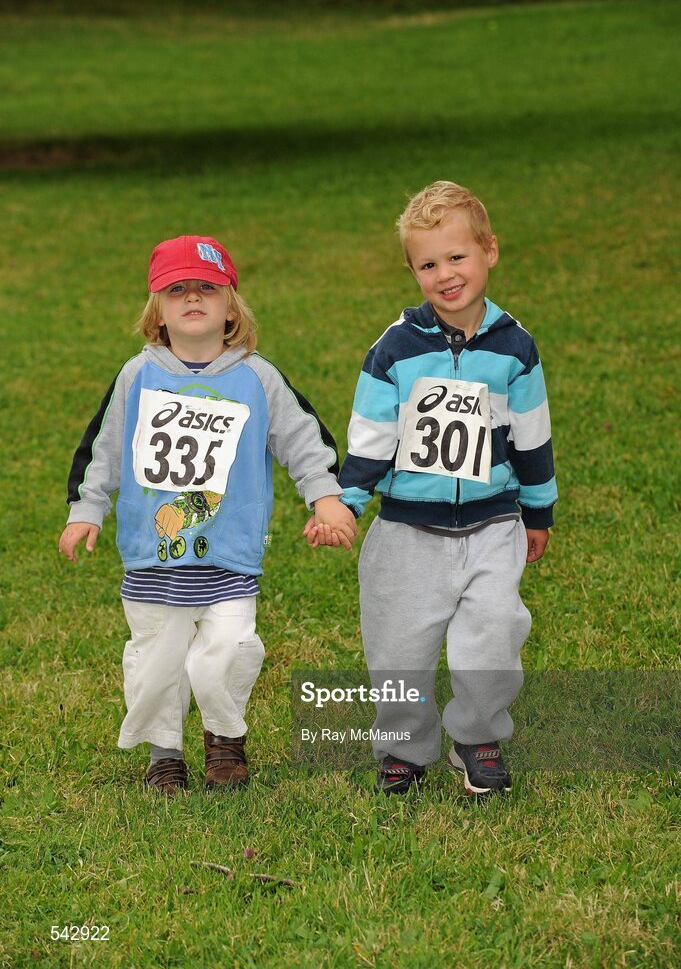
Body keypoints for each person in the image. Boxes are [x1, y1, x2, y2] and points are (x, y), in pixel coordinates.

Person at [59, 234, 356, 794]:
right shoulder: (137, 376)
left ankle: (225, 738)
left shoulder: (257, 377)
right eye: (177, 290)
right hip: (153, 556)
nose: (192, 297)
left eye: (207, 288)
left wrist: (326, 496)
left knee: (228, 651)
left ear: (231, 307)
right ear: (158, 310)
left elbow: (304, 440)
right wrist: (87, 510)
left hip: (229, 553)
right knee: (157, 662)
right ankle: (164, 751)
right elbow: (103, 450)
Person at [310, 181, 557, 796]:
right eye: (428, 264)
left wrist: (538, 510)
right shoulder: (392, 352)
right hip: (405, 528)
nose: (445, 274)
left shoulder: (515, 350)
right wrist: (348, 503)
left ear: (489, 252)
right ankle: (403, 745)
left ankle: (477, 736)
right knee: (398, 646)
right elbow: (371, 440)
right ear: (412, 271)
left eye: (457, 257)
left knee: (496, 631)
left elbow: (532, 437)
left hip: (491, 522)